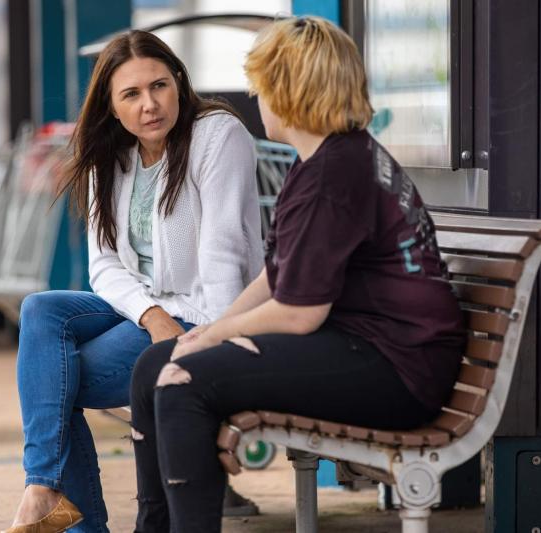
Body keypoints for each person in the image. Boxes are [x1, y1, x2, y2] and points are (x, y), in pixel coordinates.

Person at [129, 16, 468, 532]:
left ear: (287, 91)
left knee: (184, 382)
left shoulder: (333, 174)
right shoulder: (322, 159)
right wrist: (208, 333)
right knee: (154, 365)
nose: (255, 97)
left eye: (261, 86)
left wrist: (213, 339)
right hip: (368, 348)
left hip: (396, 369)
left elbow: (299, 312)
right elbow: (275, 276)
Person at [2, 31, 263, 533]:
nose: (150, 104)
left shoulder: (216, 135)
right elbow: (103, 265)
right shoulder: (110, 156)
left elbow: (224, 251)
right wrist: (150, 313)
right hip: (147, 309)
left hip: (204, 314)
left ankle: (53, 502)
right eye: (132, 94)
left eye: (159, 86)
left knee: (56, 382)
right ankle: (41, 488)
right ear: (112, 106)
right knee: (40, 310)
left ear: (179, 82)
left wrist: (217, 343)